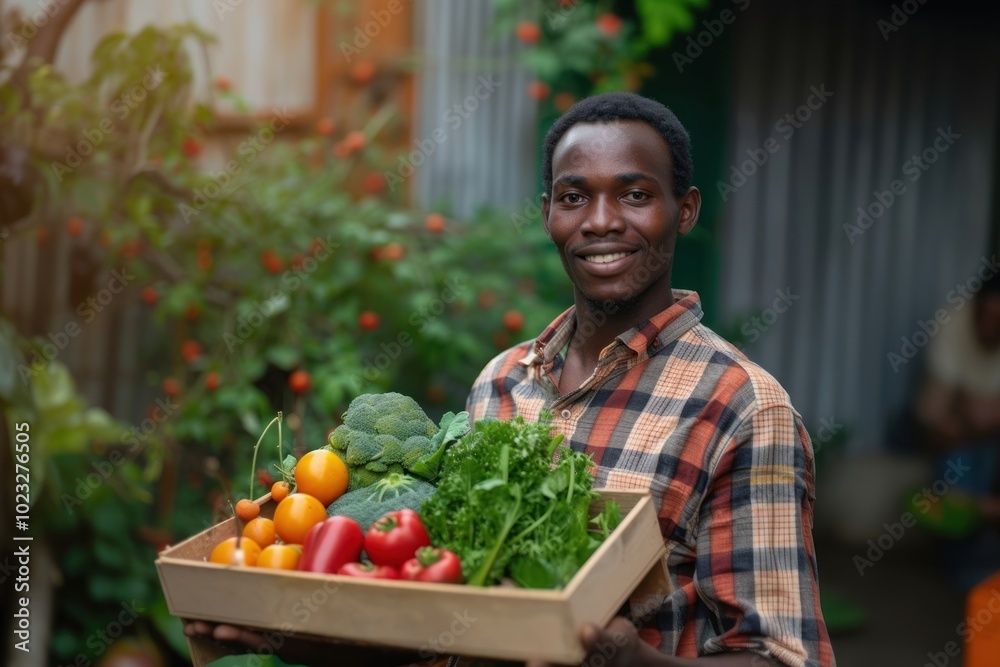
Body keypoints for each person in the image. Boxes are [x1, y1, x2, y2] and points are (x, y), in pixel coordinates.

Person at [186, 92, 835, 667]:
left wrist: (635, 662)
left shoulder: (744, 408)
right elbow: (443, 610)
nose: (601, 220)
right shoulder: (500, 382)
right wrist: (292, 630)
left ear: (684, 209)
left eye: (634, 194)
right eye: (575, 196)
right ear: (549, 211)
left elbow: (783, 657)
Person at [916, 270, 1000, 591]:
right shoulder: (954, 324)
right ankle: (964, 551)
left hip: (987, 433)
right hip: (962, 432)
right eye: (985, 315)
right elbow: (934, 412)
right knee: (961, 458)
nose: (989, 326)